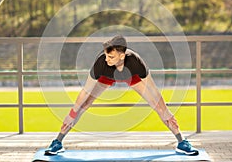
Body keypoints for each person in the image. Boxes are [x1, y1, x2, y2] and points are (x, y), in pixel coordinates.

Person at [45, 35, 199, 156]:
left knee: (157, 106)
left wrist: (166, 111)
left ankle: (182, 142)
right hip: (106, 77)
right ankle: (57, 142)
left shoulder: (136, 62)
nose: (107, 59)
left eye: (111, 57)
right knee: (83, 105)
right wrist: (71, 114)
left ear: (123, 55)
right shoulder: (101, 64)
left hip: (131, 76)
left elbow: (154, 91)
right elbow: (85, 92)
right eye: (106, 56)